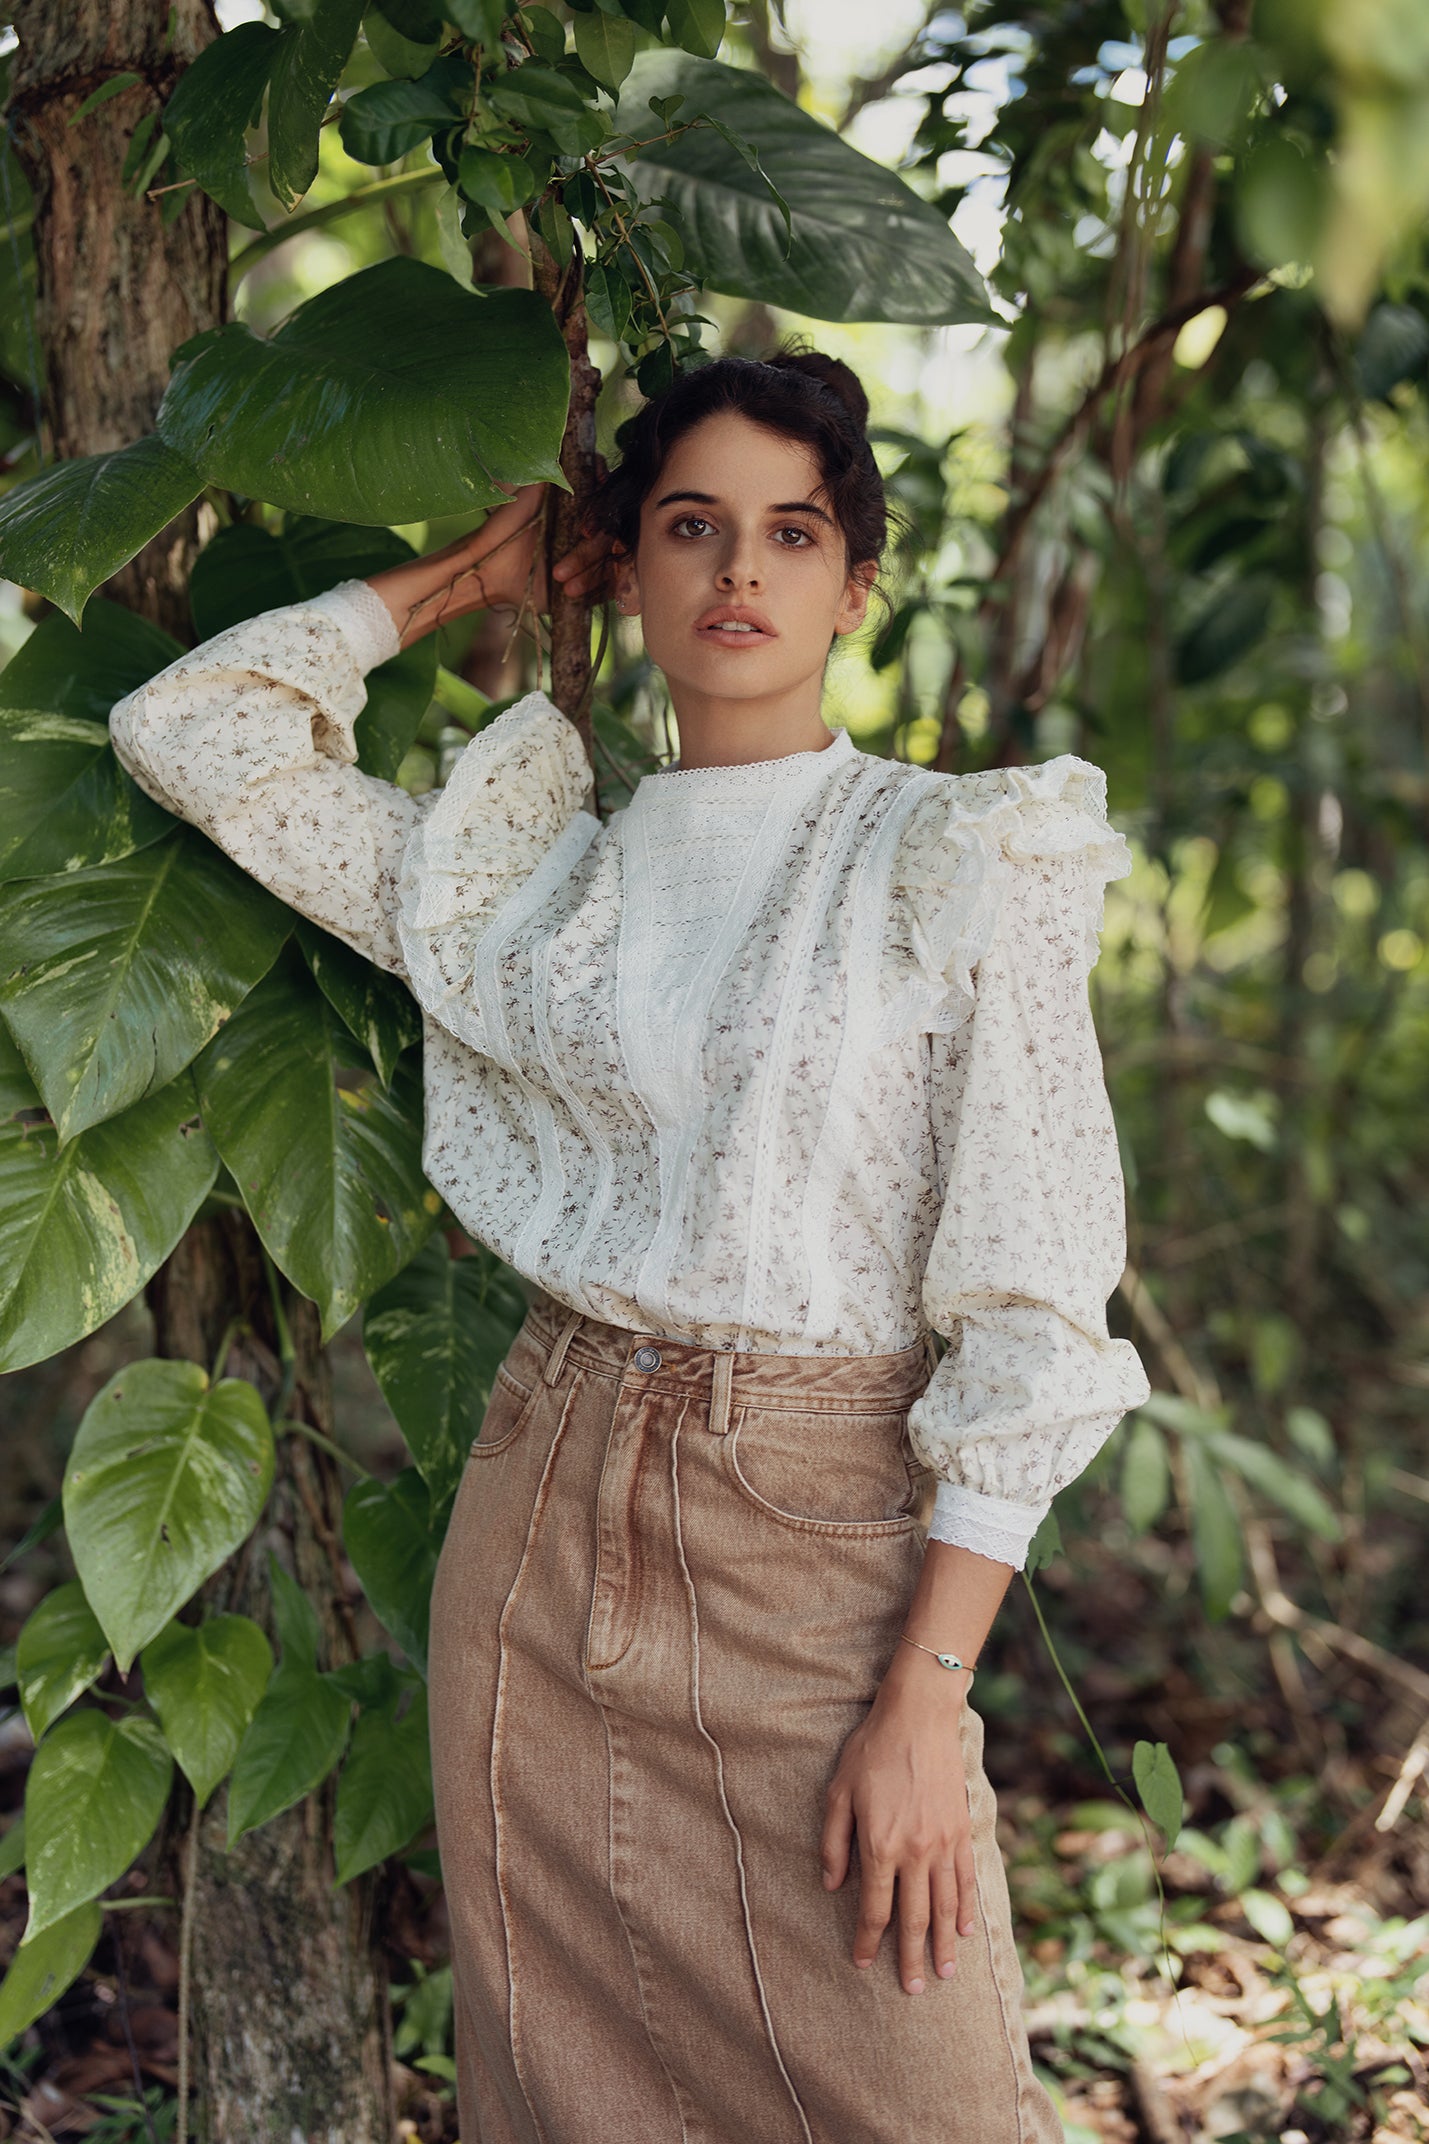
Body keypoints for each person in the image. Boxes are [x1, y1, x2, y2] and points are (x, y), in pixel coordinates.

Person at [108, 344, 1150, 2142]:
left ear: (851, 579)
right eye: (690, 527)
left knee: (927, 2089)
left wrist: (926, 1704)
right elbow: (189, 738)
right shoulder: (529, 890)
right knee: (568, 2097)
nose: (740, 572)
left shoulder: (957, 856)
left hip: (820, 1545)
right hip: (548, 1501)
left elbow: (1036, 1303)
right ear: (627, 560)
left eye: (790, 531)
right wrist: (469, 575)